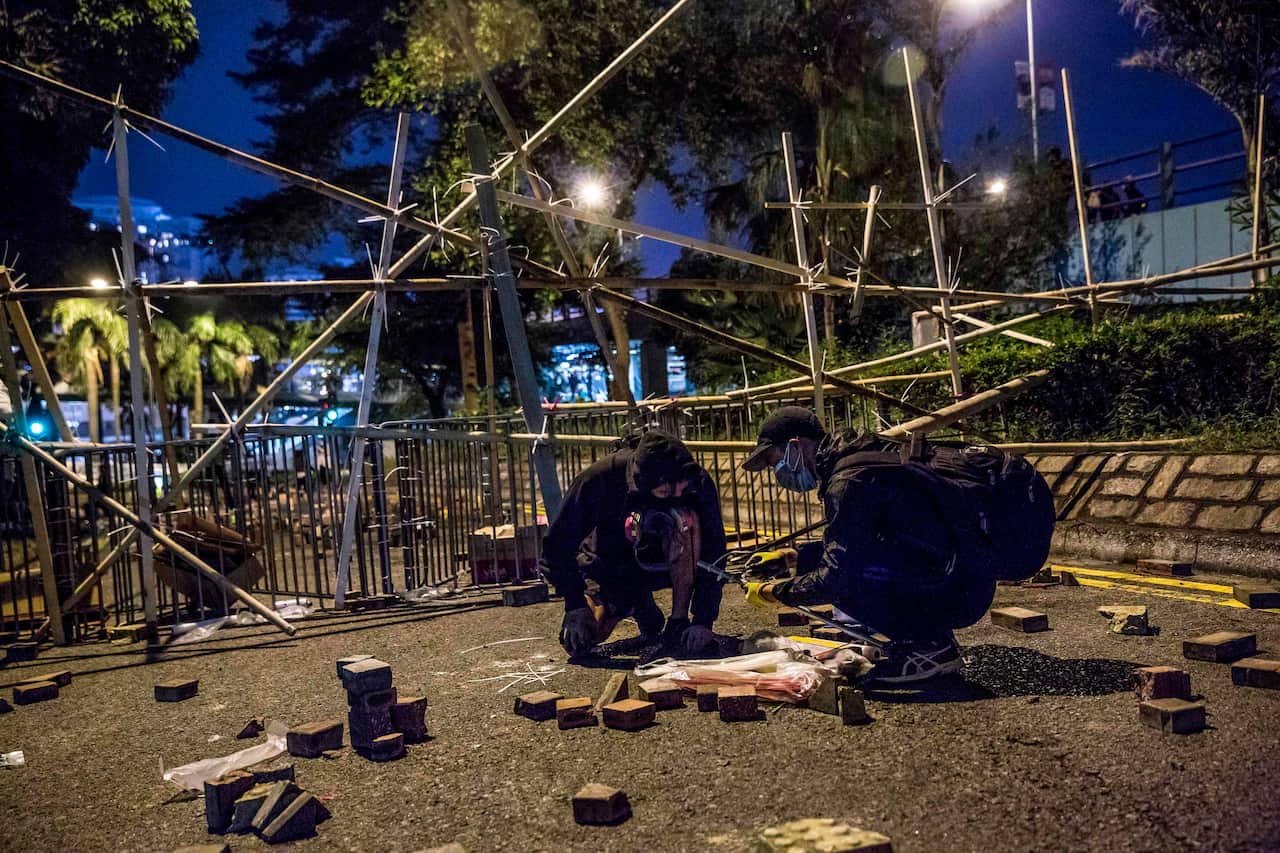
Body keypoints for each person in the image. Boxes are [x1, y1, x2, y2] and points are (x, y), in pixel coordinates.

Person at [739, 407, 1000, 684]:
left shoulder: (849, 481)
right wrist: (791, 557)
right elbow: (863, 542)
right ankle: (928, 638)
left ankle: (930, 648)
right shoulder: (859, 459)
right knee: (840, 565)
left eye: (773, 460)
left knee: (845, 581)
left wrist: (775, 592)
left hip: (959, 591)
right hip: (963, 576)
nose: (774, 470)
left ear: (794, 446)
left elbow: (837, 577)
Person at [539, 430, 727, 657]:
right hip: (611, 567)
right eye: (665, 492)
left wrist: (703, 620)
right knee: (580, 640)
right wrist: (574, 602)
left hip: (666, 563)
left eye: (682, 489)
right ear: (641, 484)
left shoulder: (697, 482)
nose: (677, 495)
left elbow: (715, 550)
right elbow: (557, 544)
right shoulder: (600, 478)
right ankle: (635, 605)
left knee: (686, 521)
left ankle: (678, 621)